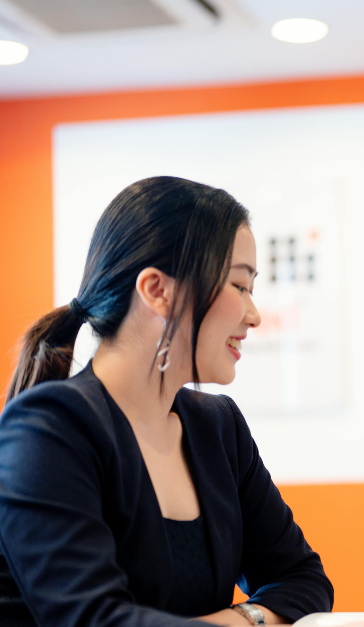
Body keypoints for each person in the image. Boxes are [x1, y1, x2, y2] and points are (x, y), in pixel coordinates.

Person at [0, 177, 333, 626]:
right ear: (157, 290)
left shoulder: (219, 428)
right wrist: (253, 621)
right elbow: (97, 620)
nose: (253, 316)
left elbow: (305, 581)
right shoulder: (47, 430)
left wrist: (244, 619)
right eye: (239, 286)